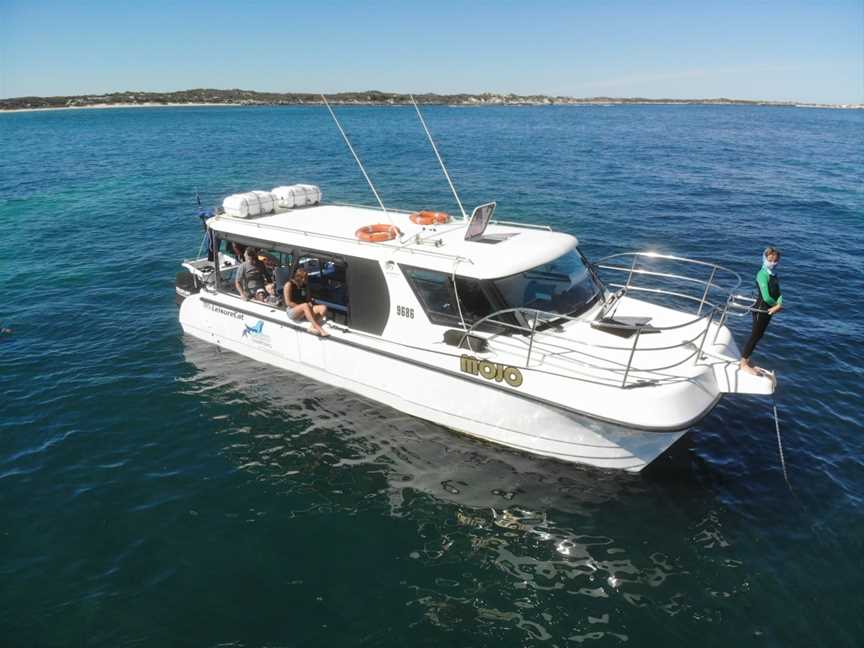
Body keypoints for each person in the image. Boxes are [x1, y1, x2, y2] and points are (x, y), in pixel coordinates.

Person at [740, 246, 783, 375]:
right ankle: (743, 363)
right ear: (764, 258)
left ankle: (747, 359)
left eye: (775, 261)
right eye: (770, 260)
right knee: (755, 335)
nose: (773, 263)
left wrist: (779, 303)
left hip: (770, 309)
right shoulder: (762, 274)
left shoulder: (773, 274)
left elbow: (778, 292)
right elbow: (766, 296)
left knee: (759, 335)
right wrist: (777, 305)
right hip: (761, 309)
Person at [284, 267, 329, 336]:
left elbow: (308, 300)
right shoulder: (289, 285)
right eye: (305, 277)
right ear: (299, 277)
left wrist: (310, 303)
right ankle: (319, 329)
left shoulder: (305, 285)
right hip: (292, 310)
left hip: (305, 309)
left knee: (323, 308)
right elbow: (288, 302)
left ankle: (312, 327)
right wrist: (305, 308)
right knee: (305, 305)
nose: (307, 278)